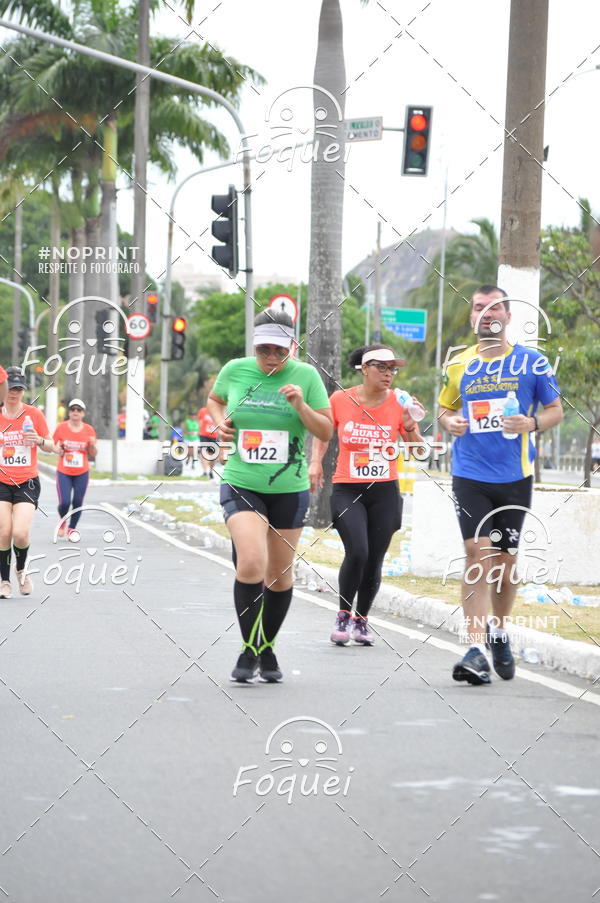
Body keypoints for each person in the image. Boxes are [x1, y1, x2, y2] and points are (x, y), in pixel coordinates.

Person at [438, 285, 563, 685]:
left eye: (495, 308)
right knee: (477, 553)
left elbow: (555, 409)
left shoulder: (533, 362)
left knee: (504, 568)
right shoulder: (459, 363)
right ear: (472, 317)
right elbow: (445, 407)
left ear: (508, 316)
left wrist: (532, 423)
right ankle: (474, 648)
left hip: (514, 477)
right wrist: (448, 422)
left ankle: (499, 630)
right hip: (469, 473)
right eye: (479, 308)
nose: (486, 314)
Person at [207, 309, 332, 684]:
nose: (271, 359)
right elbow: (214, 399)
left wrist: (300, 406)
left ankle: (267, 646)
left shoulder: (306, 376)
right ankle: (249, 649)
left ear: (291, 346)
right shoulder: (236, 370)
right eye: (264, 351)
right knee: (250, 563)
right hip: (242, 481)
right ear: (255, 347)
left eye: (279, 351)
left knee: (278, 576)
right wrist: (218, 423)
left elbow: (325, 428)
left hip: (288, 489)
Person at [309, 345, 425, 646]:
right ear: (364, 368)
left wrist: (411, 422)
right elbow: (323, 432)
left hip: (385, 490)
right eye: (381, 367)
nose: (388, 374)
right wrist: (315, 462)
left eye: (393, 369)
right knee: (357, 551)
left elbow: (418, 451)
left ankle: (362, 620)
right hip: (348, 488)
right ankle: (343, 614)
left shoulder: (399, 402)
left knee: (374, 559)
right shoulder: (340, 399)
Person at [0, 367, 53, 598]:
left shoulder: (33, 415)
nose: (15, 393)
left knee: (20, 533)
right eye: (11, 388)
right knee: (4, 531)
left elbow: (52, 446)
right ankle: (4, 582)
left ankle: (21, 571)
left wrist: (39, 440)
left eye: (19, 389)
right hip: (1, 480)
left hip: (27, 481)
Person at [53, 399, 97, 539]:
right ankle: (62, 520)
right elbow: (52, 445)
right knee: (65, 502)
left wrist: (92, 445)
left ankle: (72, 529)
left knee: (78, 501)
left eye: (79, 410)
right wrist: (58, 450)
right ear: (69, 412)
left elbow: (93, 453)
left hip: (82, 472)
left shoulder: (89, 429)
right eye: (73, 409)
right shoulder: (61, 427)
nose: (75, 412)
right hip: (64, 471)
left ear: (83, 413)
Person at [197, 403, 219, 479]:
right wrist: (199, 430)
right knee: (204, 453)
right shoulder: (203, 411)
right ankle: (205, 472)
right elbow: (200, 422)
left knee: (213, 455)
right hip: (204, 435)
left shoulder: (218, 411)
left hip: (214, 436)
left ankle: (210, 471)